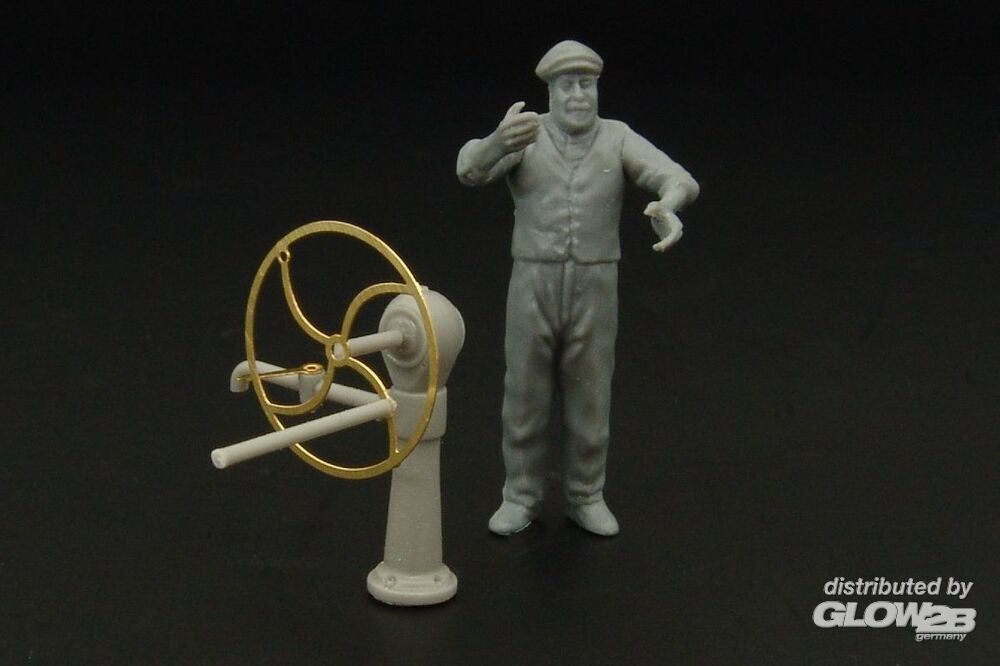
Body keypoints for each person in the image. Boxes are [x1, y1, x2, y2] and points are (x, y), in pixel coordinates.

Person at [457, 40, 699, 536]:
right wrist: (498, 141)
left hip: (595, 283)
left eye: (586, 85)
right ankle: (520, 495)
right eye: (567, 86)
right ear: (550, 92)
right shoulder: (525, 135)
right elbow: (469, 170)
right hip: (533, 280)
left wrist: (668, 204)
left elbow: (678, 178)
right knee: (524, 394)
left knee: (591, 396)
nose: (578, 96)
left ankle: (586, 494)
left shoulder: (617, 136)